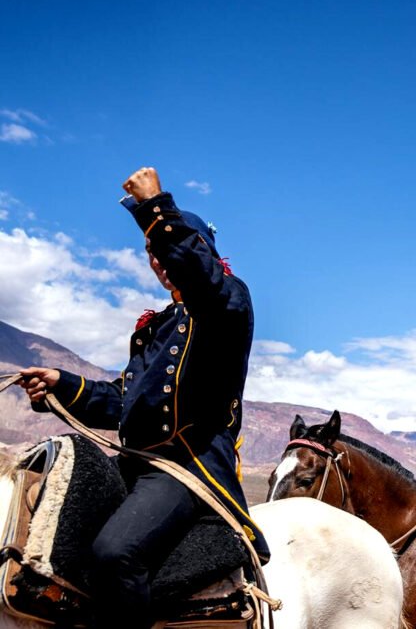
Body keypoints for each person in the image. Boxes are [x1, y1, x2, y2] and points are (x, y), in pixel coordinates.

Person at [18, 167, 269, 629]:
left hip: (187, 469)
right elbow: (123, 402)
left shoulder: (225, 306)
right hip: (135, 464)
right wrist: (61, 383)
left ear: (202, 249)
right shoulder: (155, 328)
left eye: (164, 247)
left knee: (116, 553)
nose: (156, 258)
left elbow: (203, 279)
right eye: (151, 252)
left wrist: (155, 207)